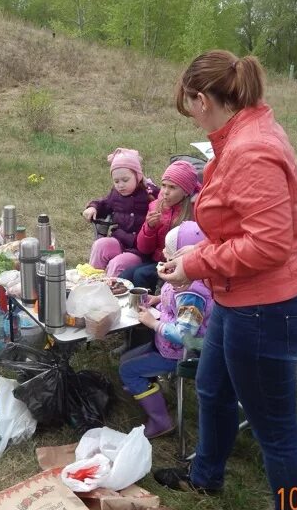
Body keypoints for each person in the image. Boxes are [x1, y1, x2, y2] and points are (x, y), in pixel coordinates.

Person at [152, 50, 297, 510]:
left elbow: (269, 245)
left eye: (189, 104)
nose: (189, 113)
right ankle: (206, 478)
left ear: (204, 100)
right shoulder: (239, 135)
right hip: (235, 298)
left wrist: (197, 262)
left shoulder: (252, 150)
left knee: (276, 431)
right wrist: (198, 256)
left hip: (265, 310)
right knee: (213, 387)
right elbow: (240, 226)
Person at [119, 221, 214, 438]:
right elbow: (173, 302)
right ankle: (145, 390)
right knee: (126, 360)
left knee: (127, 370)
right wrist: (157, 299)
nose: (163, 253)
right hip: (166, 345)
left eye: (169, 251)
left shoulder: (193, 294)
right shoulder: (182, 278)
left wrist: (154, 324)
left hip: (181, 354)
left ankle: (161, 421)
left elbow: (185, 335)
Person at [119, 160, 199, 292]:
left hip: (179, 264)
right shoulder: (156, 206)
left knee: (141, 275)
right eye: (163, 185)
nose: (165, 192)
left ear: (186, 191)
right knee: (125, 277)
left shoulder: (194, 212)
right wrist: (149, 228)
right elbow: (144, 249)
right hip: (156, 261)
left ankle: (150, 307)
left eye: (172, 187)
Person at [82, 147, 158, 277]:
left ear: (138, 176)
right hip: (120, 240)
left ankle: (111, 291)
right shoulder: (116, 194)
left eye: (125, 180)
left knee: (118, 263)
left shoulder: (150, 194)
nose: (120, 185)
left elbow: (168, 205)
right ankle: (92, 279)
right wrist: (93, 207)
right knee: (100, 244)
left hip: (140, 251)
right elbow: (105, 204)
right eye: (116, 181)